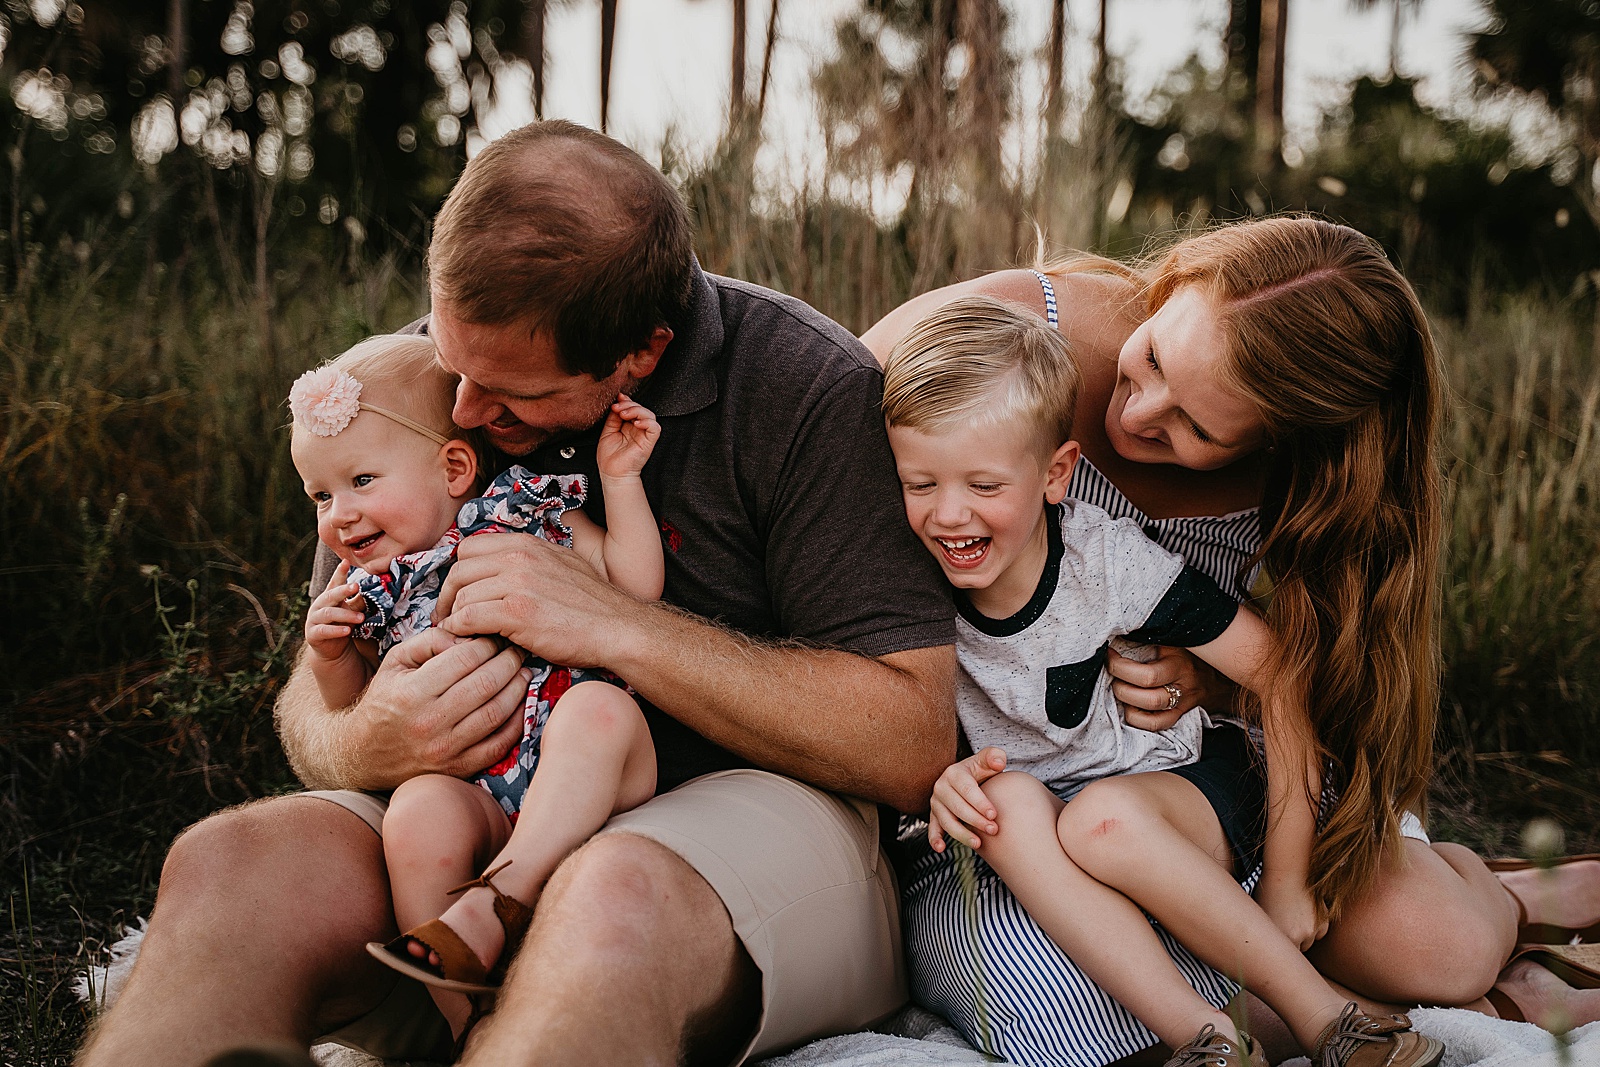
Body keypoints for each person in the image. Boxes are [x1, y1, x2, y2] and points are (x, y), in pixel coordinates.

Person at [77, 120, 957, 1067]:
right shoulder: (417, 376)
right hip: (474, 800)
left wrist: (621, 626)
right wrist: (362, 736)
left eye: (509, 395)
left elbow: (909, 740)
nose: (461, 412)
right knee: (228, 867)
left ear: (643, 352)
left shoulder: (806, 389)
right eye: (456, 365)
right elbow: (315, 676)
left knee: (608, 896)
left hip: (739, 826)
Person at [862, 217, 1600, 1065]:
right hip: (1029, 801)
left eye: (1198, 432)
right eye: (1150, 360)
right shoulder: (1003, 345)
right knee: (1055, 1007)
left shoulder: (1310, 480)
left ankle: (1505, 899)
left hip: (1193, 784)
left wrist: (1217, 690)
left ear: (1280, 441)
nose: (1137, 413)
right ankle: (1345, 1012)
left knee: (1442, 946)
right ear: (1172, 286)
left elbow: (1300, 677)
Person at [882, 295, 1444, 1067]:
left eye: (983, 485)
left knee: (1101, 824)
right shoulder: (903, 569)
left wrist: (1286, 877)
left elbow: (1280, 673)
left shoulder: (1105, 559)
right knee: (999, 803)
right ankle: (1208, 1042)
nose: (949, 515)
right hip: (1039, 811)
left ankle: (1331, 1021)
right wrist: (938, 780)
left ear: (1056, 475)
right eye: (920, 485)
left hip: (1164, 779)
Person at [286, 334, 665, 1038]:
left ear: (455, 465)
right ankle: (469, 1024)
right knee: (416, 812)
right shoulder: (370, 587)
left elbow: (636, 587)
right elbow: (355, 713)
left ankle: (498, 902)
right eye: (320, 494)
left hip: (594, 776)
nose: (337, 513)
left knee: (598, 709)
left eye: (361, 481)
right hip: (484, 797)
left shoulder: (520, 508)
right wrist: (330, 656)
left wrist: (620, 481)